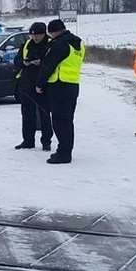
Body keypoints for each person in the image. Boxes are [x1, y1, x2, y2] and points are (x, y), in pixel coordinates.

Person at [36, 19, 85, 164]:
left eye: (50, 33)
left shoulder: (59, 44)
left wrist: (39, 83)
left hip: (59, 85)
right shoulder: (79, 43)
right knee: (67, 121)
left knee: (59, 121)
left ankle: (63, 153)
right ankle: (66, 150)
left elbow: (48, 65)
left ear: (54, 31)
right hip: (73, 85)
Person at [14, 22, 53, 151]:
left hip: (43, 85)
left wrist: (40, 63)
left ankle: (46, 141)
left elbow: (53, 64)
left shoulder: (50, 45)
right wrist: (24, 63)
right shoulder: (26, 45)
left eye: (38, 35)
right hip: (26, 83)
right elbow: (16, 61)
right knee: (27, 114)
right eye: (32, 35)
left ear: (44, 34)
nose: (35, 37)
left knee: (44, 114)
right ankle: (28, 140)